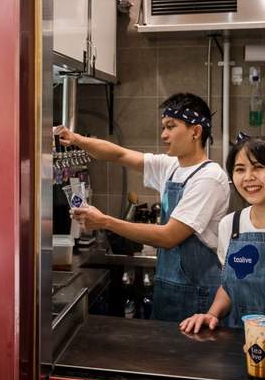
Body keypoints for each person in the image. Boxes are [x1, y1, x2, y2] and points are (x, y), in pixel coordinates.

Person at [55, 93, 230, 322]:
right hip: (168, 286)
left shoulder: (209, 177)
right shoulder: (172, 166)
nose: (163, 135)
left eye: (170, 126)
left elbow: (169, 236)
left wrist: (104, 221)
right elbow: (119, 154)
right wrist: (77, 139)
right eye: (163, 127)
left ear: (195, 132)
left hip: (198, 295)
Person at [180, 134, 265, 332]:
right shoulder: (231, 225)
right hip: (241, 340)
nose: (248, 177)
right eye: (240, 170)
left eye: (258, 167)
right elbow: (229, 286)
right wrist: (211, 314)